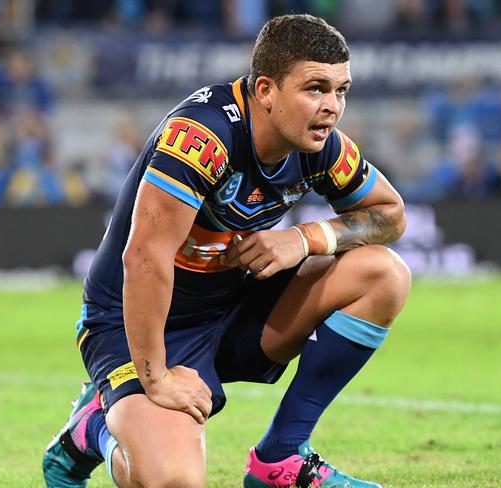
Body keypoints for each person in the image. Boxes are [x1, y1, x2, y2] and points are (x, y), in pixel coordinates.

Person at [43, 14, 411, 488]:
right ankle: (89, 430)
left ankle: (280, 460)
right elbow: (144, 258)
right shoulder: (203, 136)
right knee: (173, 481)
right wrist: (155, 378)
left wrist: (303, 239)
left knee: (384, 274)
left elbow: (390, 215)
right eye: (315, 88)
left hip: (232, 307)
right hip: (138, 322)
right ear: (265, 91)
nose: (332, 107)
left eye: (341, 90)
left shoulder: (318, 144)